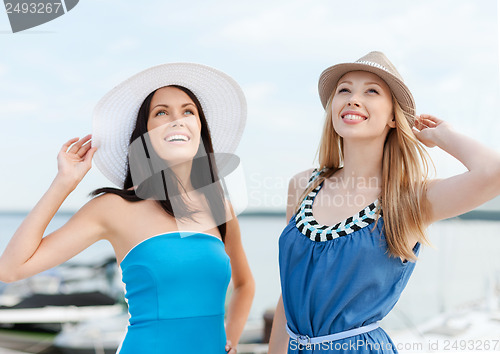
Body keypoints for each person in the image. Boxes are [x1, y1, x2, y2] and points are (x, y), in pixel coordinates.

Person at [0, 63, 255, 354]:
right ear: (144, 135)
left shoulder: (219, 205)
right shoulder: (114, 207)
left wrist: (230, 341)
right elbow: (11, 269)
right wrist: (64, 183)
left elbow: (244, 285)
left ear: (200, 128)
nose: (177, 120)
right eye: (161, 112)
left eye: (188, 111)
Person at [268, 51, 500, 353]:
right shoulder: (303, 184)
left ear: (393, 117)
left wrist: (443, 135)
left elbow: (492, 174)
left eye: (371, 91)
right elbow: (289, 295)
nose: (353, 99)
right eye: (344, 90)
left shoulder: (409, 200)